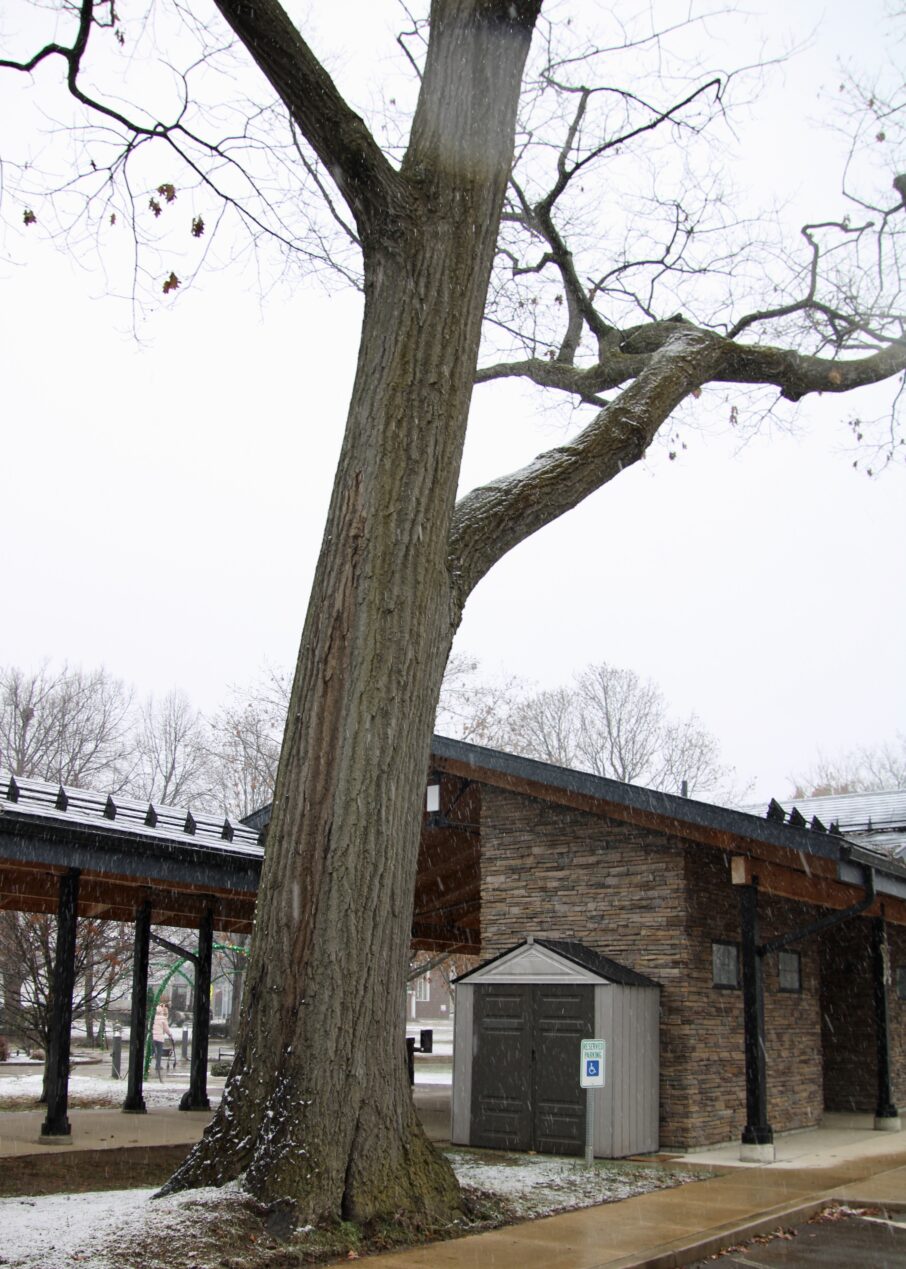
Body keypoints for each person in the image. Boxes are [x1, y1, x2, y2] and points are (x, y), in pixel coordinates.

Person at [151, 1000, 174, 1082]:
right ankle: (158, 1065)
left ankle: (148, 1064)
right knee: (159, 1052)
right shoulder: (163, 1019)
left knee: (151, 1051)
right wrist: (170, 1035)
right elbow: (166, 1029)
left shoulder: (152, 1018)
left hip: (152, 1037)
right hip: (160, 1038)